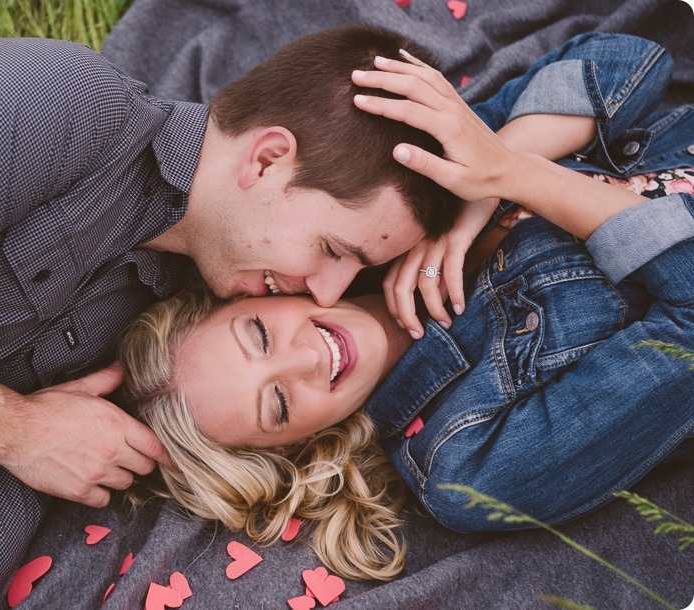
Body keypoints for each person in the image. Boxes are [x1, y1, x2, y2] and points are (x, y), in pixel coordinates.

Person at [0, 24, 458, 609]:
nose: (325, 291)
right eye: (332, 251)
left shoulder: (182, 308)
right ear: (268, 158)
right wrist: (12, 429)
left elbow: (52, 442)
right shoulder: (55, 100)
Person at [118, 39, 693, 582]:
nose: (305, 358)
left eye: (261, 336)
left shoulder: (383, 219)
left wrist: (482, 189)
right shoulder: (466, 464)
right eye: (279, 401)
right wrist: (515, 177)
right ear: (294, 449)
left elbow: (626, 62)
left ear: (251, 296)